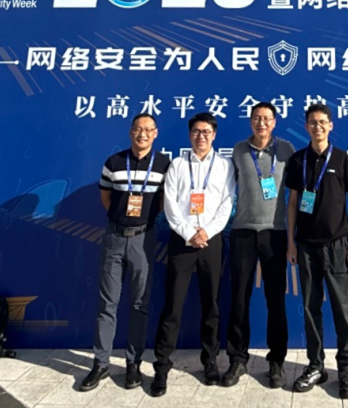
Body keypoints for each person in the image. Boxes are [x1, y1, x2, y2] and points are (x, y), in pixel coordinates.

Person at [80, 114, 171, 392]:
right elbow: (106, 197)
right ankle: (101, 363)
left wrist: (142, 221)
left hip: (144, 239)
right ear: (131, 132)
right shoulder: (114, 162)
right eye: (137, 129)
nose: (142, 134)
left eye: (148, 129)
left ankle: (133, 363)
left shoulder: (164, 164)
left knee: (139, 304)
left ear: (156, 133)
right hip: (114, 238)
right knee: (107, 303)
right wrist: (121, 219)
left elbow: (164, 200)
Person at [150, 112, 235, 397]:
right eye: (196, 131)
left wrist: (206, 232)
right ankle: (162, 366)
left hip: (212, 241)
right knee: (172, 306)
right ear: (190, 135)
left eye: (206, 132)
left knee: (211, 305)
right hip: (182, 241)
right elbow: (170, 204)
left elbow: (227, 203)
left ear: (214, 135)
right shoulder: (177, 164)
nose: (201, 136)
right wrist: (189, 233)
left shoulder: (224, 166)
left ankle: (210, 361)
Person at [284, 103, 348, 399]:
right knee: (309, 306)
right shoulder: (298, 160)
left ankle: (346, 368)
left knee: (343, 308)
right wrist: (291, 242)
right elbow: (293, 202)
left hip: (338, 245)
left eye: (322, 122)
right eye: (312, 122)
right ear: (306, 126)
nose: (317, 126)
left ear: (330, 126)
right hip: (305, 246)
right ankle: (316, 365)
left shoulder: (341, 158)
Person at [222, 102, 296, 388]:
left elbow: (296, 193)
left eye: (266, 118)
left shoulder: (286, 150)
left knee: (275, 300)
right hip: (242, 232)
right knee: (239, 298)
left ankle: (276, 361)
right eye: (256, 118)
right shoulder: (239, 150)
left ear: (274, 122)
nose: (261, 123)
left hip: (274, 233)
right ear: (250, 121)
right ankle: (237, 359)